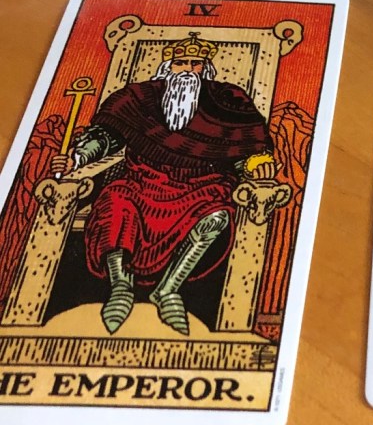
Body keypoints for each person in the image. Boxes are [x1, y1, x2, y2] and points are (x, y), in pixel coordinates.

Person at [50, 33, 276, 335]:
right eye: (181, 62)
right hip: (141, 180)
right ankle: (120, 288)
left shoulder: (227, 101)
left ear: (205, 68)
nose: (188, 69)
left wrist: (255, 164)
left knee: (217, 217)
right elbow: (107, 137)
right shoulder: (138, 97)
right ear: (168, 66)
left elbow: (242, 149)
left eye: (195, 63)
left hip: (202, 184)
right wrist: (77, 158)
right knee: (115, 203)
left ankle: (169, 290)